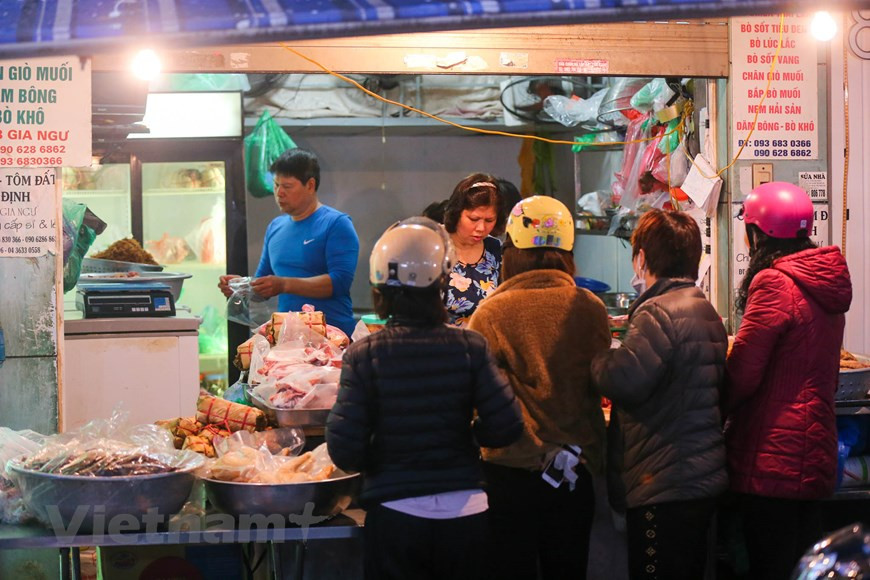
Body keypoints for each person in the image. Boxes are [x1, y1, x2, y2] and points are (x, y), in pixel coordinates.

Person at [326, 216, 524, 580]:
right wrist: (465, 438)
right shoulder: (470, 346)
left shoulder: (364, 354)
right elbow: (508, 424)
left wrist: (384, 455)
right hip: (466, 514)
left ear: (379, 289)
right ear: (442, 283)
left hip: (395, 515)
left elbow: (344, 448)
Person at [468, 196, 610, 580]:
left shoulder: (490, 314)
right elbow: (602, 381)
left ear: (511, 251)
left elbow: (475, 398)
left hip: (508, 475)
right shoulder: (590, 307)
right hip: (574, 472)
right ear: (566, 251)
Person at [590, 209, 729, 580]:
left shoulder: (657, 312)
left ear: (642, 258)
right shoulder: (702, 306)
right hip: (698, 477)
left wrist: (597, 357)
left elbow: (626, 381)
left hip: (664, 484)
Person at [725, 182, 852, 580]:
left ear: (758, 234)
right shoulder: (824, 282)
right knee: (803, 566)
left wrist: (715, 411)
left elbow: (744, 372)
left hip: (772, 455)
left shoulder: (774, 283)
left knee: (770, 564)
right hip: (814, 448)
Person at [218, 148, 360, 336]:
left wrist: (284, 284)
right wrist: (241, 287)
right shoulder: (275, 227)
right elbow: (263, 289)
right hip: (288, 338)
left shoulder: (336, 224)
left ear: (310, 185)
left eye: (287, 186)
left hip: (332, 337)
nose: (279, 193)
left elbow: (339, 282)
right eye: (276, 185)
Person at [443, 173, 505, 326]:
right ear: (456, 213)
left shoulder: (495, 249)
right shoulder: (434, 244)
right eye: (473, 219)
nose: (481, 228)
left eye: (489, 220)